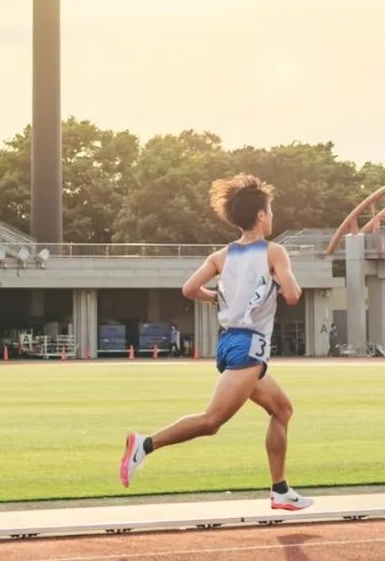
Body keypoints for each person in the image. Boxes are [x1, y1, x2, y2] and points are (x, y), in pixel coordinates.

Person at [119, 174, 312, 511]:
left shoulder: (221, 256)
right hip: (249, 346)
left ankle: (280, 490)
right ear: (262, 216)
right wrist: (277, 284)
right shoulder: (274, 251)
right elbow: (294, 295)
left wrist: (220, 300)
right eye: (271, 211)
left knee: (282, 409)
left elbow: (189, 289)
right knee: (211, 422)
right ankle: (144, 444)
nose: (272, 216)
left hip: (230, 343)